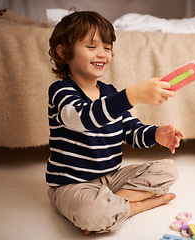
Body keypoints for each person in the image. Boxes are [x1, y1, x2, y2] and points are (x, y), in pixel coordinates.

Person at [46, 11, 184, 235]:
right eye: (91, 47)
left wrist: (156, 134)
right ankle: (139, 205)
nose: (102, 54)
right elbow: (82, 119)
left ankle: (113, 207)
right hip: (72, 186)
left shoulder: (110, 93)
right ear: (63, 53)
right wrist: (131, 95)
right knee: (91, 209)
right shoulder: (61, 91)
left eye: (107, 48)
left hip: (112, 179)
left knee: (168, 169)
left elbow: (131, 130)